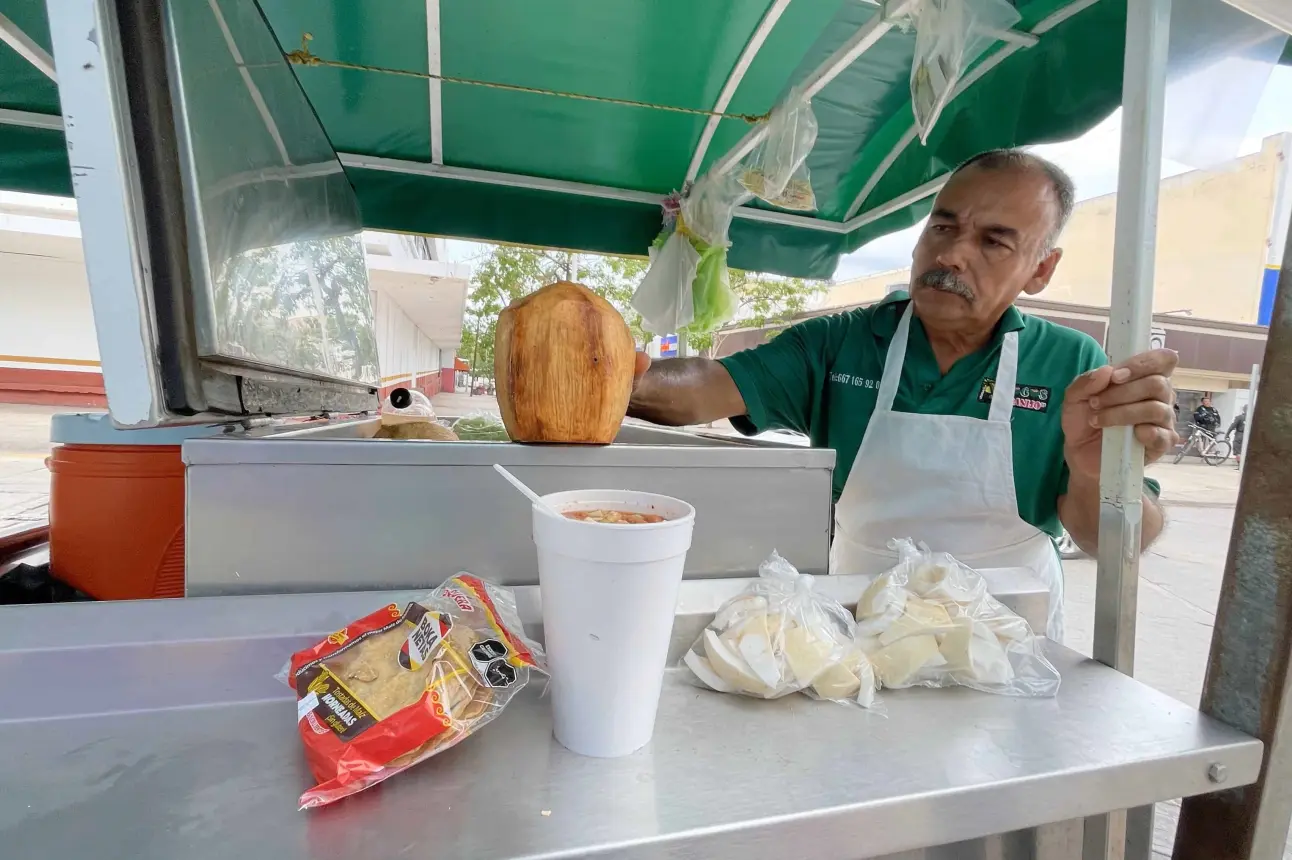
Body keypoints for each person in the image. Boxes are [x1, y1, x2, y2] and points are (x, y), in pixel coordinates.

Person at [627, 149, 1177, 641]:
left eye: (993, 241)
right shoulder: (840, 342)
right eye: (943, 227)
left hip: (1007, 638)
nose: (952, 255)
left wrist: (1094, 475)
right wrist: (617, 376)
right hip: (861, 628)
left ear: (1041, 269)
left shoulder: (1072, 364)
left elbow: (1114, 541)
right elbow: (706, 388)